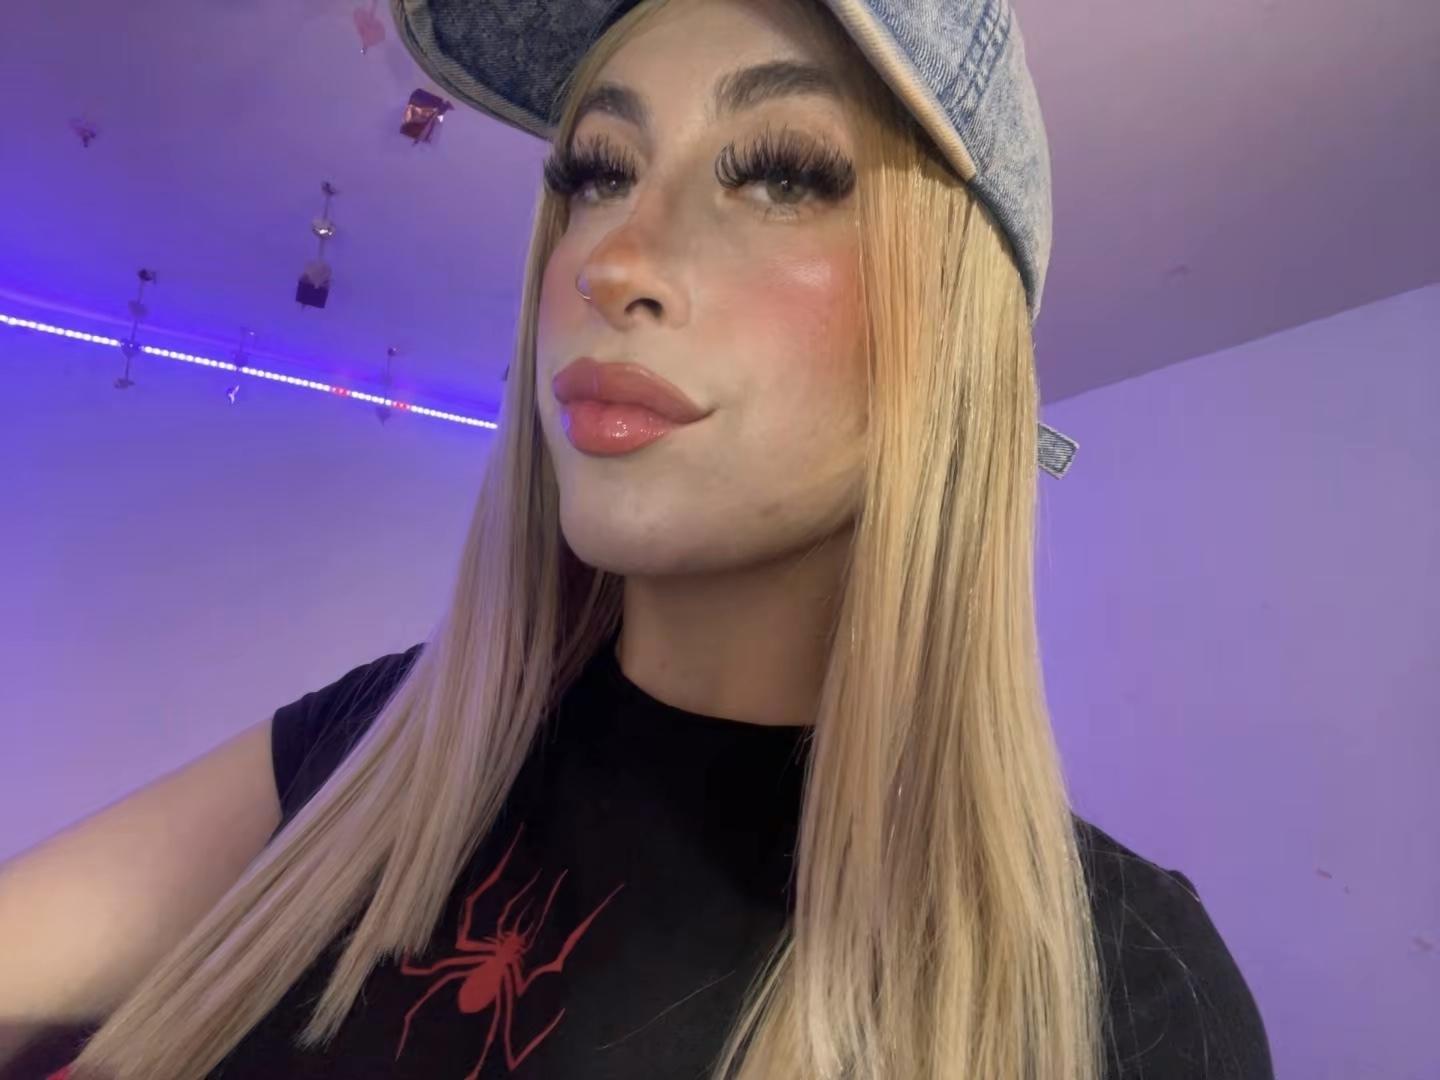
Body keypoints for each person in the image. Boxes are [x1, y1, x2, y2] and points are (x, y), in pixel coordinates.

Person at [0, 0, 1274, 1077]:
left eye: (782, 172)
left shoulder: (1118, 997)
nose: (614, 261)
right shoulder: (377, 745)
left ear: (953, 327)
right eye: (599, 172)